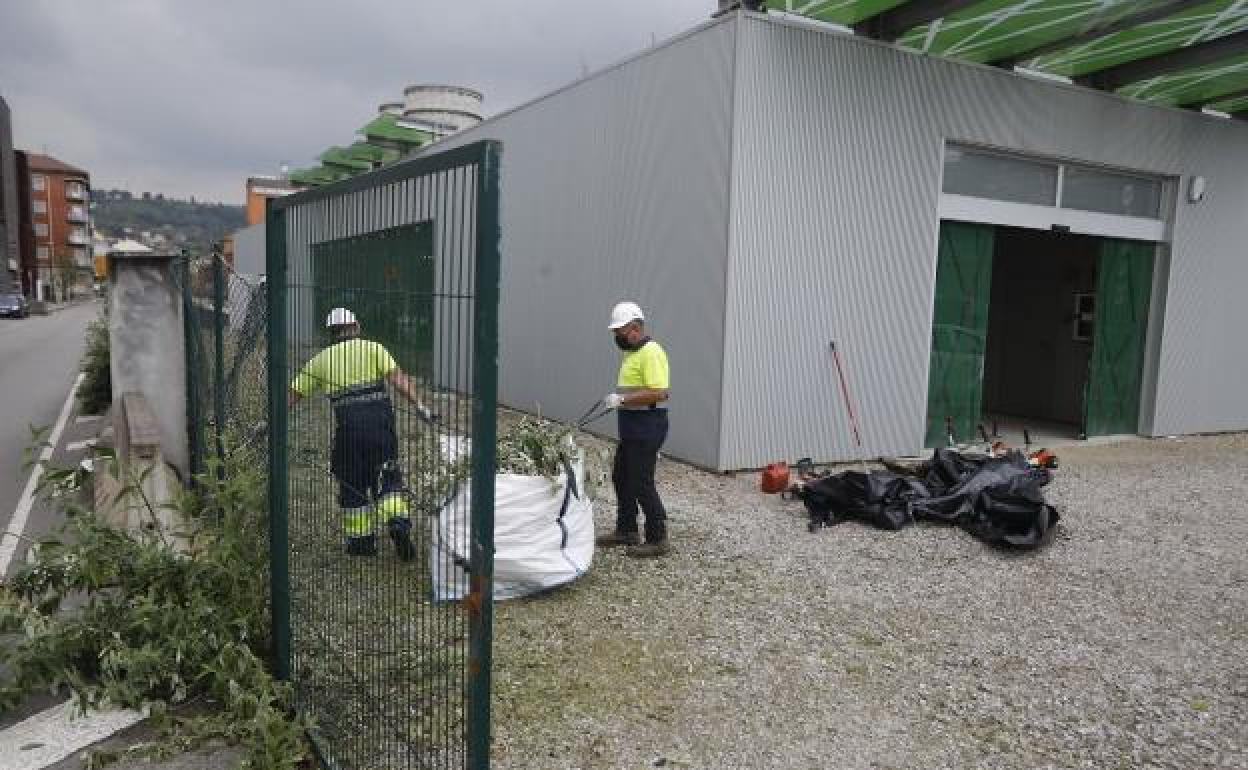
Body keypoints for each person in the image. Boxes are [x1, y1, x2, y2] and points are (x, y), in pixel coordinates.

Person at [288, 307, 436, 558]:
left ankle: (361, 544)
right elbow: (400, 382)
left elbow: (291, 396)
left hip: (348, 432)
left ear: (331, 333)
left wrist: (269, 422)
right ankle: (397, 523)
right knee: (387, 477)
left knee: (351, 483)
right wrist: (421, 407)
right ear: (356, 327)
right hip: (380, 428)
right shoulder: (374, 349)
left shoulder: (320, 361)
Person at [595, 301, 671, 558]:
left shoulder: (651, 352)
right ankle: (626, 529)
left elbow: (660, 392)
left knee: (641, 481)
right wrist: (618, 398)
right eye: (615, 332)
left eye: (621, 331)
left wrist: (623, 400)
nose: (617, 336)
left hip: (647, 426)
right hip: (631, 427)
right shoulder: (632, 353)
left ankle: (658, 537)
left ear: (636, 328)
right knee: (622, 477)